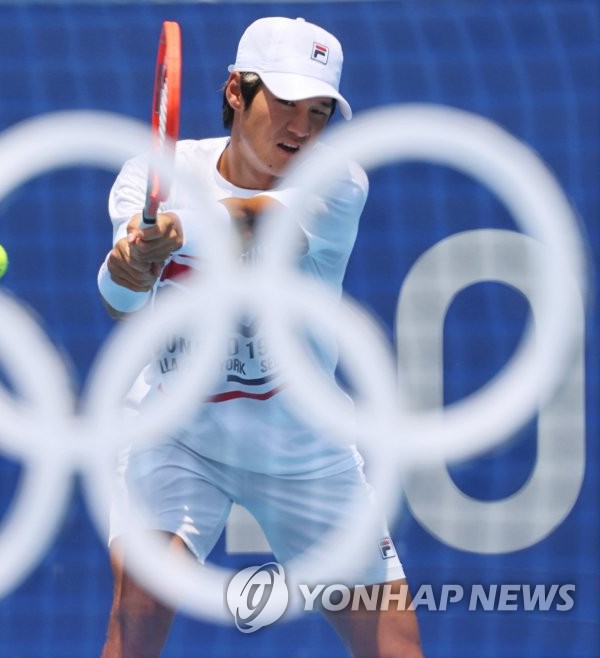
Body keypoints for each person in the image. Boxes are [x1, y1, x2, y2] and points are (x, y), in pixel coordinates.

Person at [97, 17, 424, 658]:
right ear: (236, 93)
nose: (302, 129)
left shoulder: (339, 182)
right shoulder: (151, 174)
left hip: (303, 448)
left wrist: (174, 235)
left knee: (395, 645)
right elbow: (121, 304)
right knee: (138, 609)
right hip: (177, 435)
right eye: (285, 103)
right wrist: (132, 264)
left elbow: (257, 223)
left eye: (320, 110)